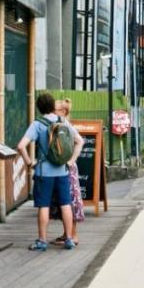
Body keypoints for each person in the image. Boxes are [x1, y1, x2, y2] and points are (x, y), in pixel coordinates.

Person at [18, 92, 79, 251]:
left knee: (43, 205)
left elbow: (20, 146)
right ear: (53, 106)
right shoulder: (63, 121)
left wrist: (30, 162)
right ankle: (69, 239)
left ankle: (42, 241)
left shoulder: (37, 124)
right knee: (66, 204)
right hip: (62, 171)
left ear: (39, 108)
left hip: (44, 172)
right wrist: (70, 162)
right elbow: (80, 141)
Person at [51, 98, 86, 245]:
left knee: (71, 199)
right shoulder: (60, 124)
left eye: (55, 110)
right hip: (64, 167)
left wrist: (71, 161)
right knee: (64, 199)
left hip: (68, 168)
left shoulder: (65, 124)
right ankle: (67, 233)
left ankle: (73, 235)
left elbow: (80, 141)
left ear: (62, 112)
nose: (52, 112)